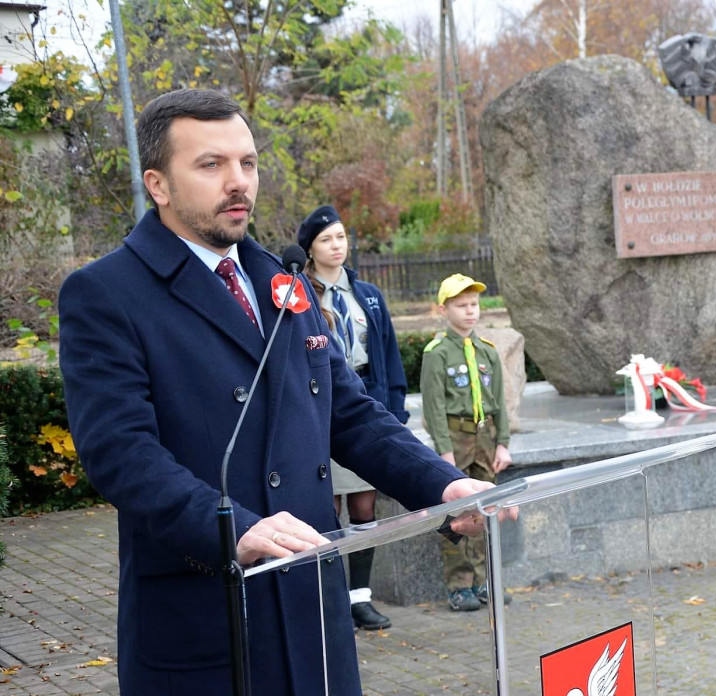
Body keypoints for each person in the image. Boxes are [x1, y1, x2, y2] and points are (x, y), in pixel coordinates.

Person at [57, 89, 506, 696]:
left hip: (311, 613)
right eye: (211, 165)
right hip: (207, 613)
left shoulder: (280, 280)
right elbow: (120, 454)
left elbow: (347, 413)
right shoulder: (106, 294)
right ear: (158, 185)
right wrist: (233, 530)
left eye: (248, 163)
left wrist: (443, 485)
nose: (238, 182)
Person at [296, 204, 406, 630]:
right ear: (310, 249)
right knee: (325, 509)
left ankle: (360, 597)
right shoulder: (297, 293)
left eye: (341, 237)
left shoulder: (369, 296)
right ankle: (326, 600)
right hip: (318, 409)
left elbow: (389, 358)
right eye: (327, 239)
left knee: (364, 507)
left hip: (364, 403)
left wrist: (395, 413)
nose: (337, 246)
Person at [420, 273, 513, 612]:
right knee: (456, 515)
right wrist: (443, 449)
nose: (470, 311)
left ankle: (484, 581)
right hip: (454, 438)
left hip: (485, 437)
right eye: (461, 306)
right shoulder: (436, 353)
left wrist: (502, 442)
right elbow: (434, 406)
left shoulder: (487, 351)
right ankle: (459, 585)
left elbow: (500, 401)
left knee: (487, 511)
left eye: (474, 305)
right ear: (444, 310)